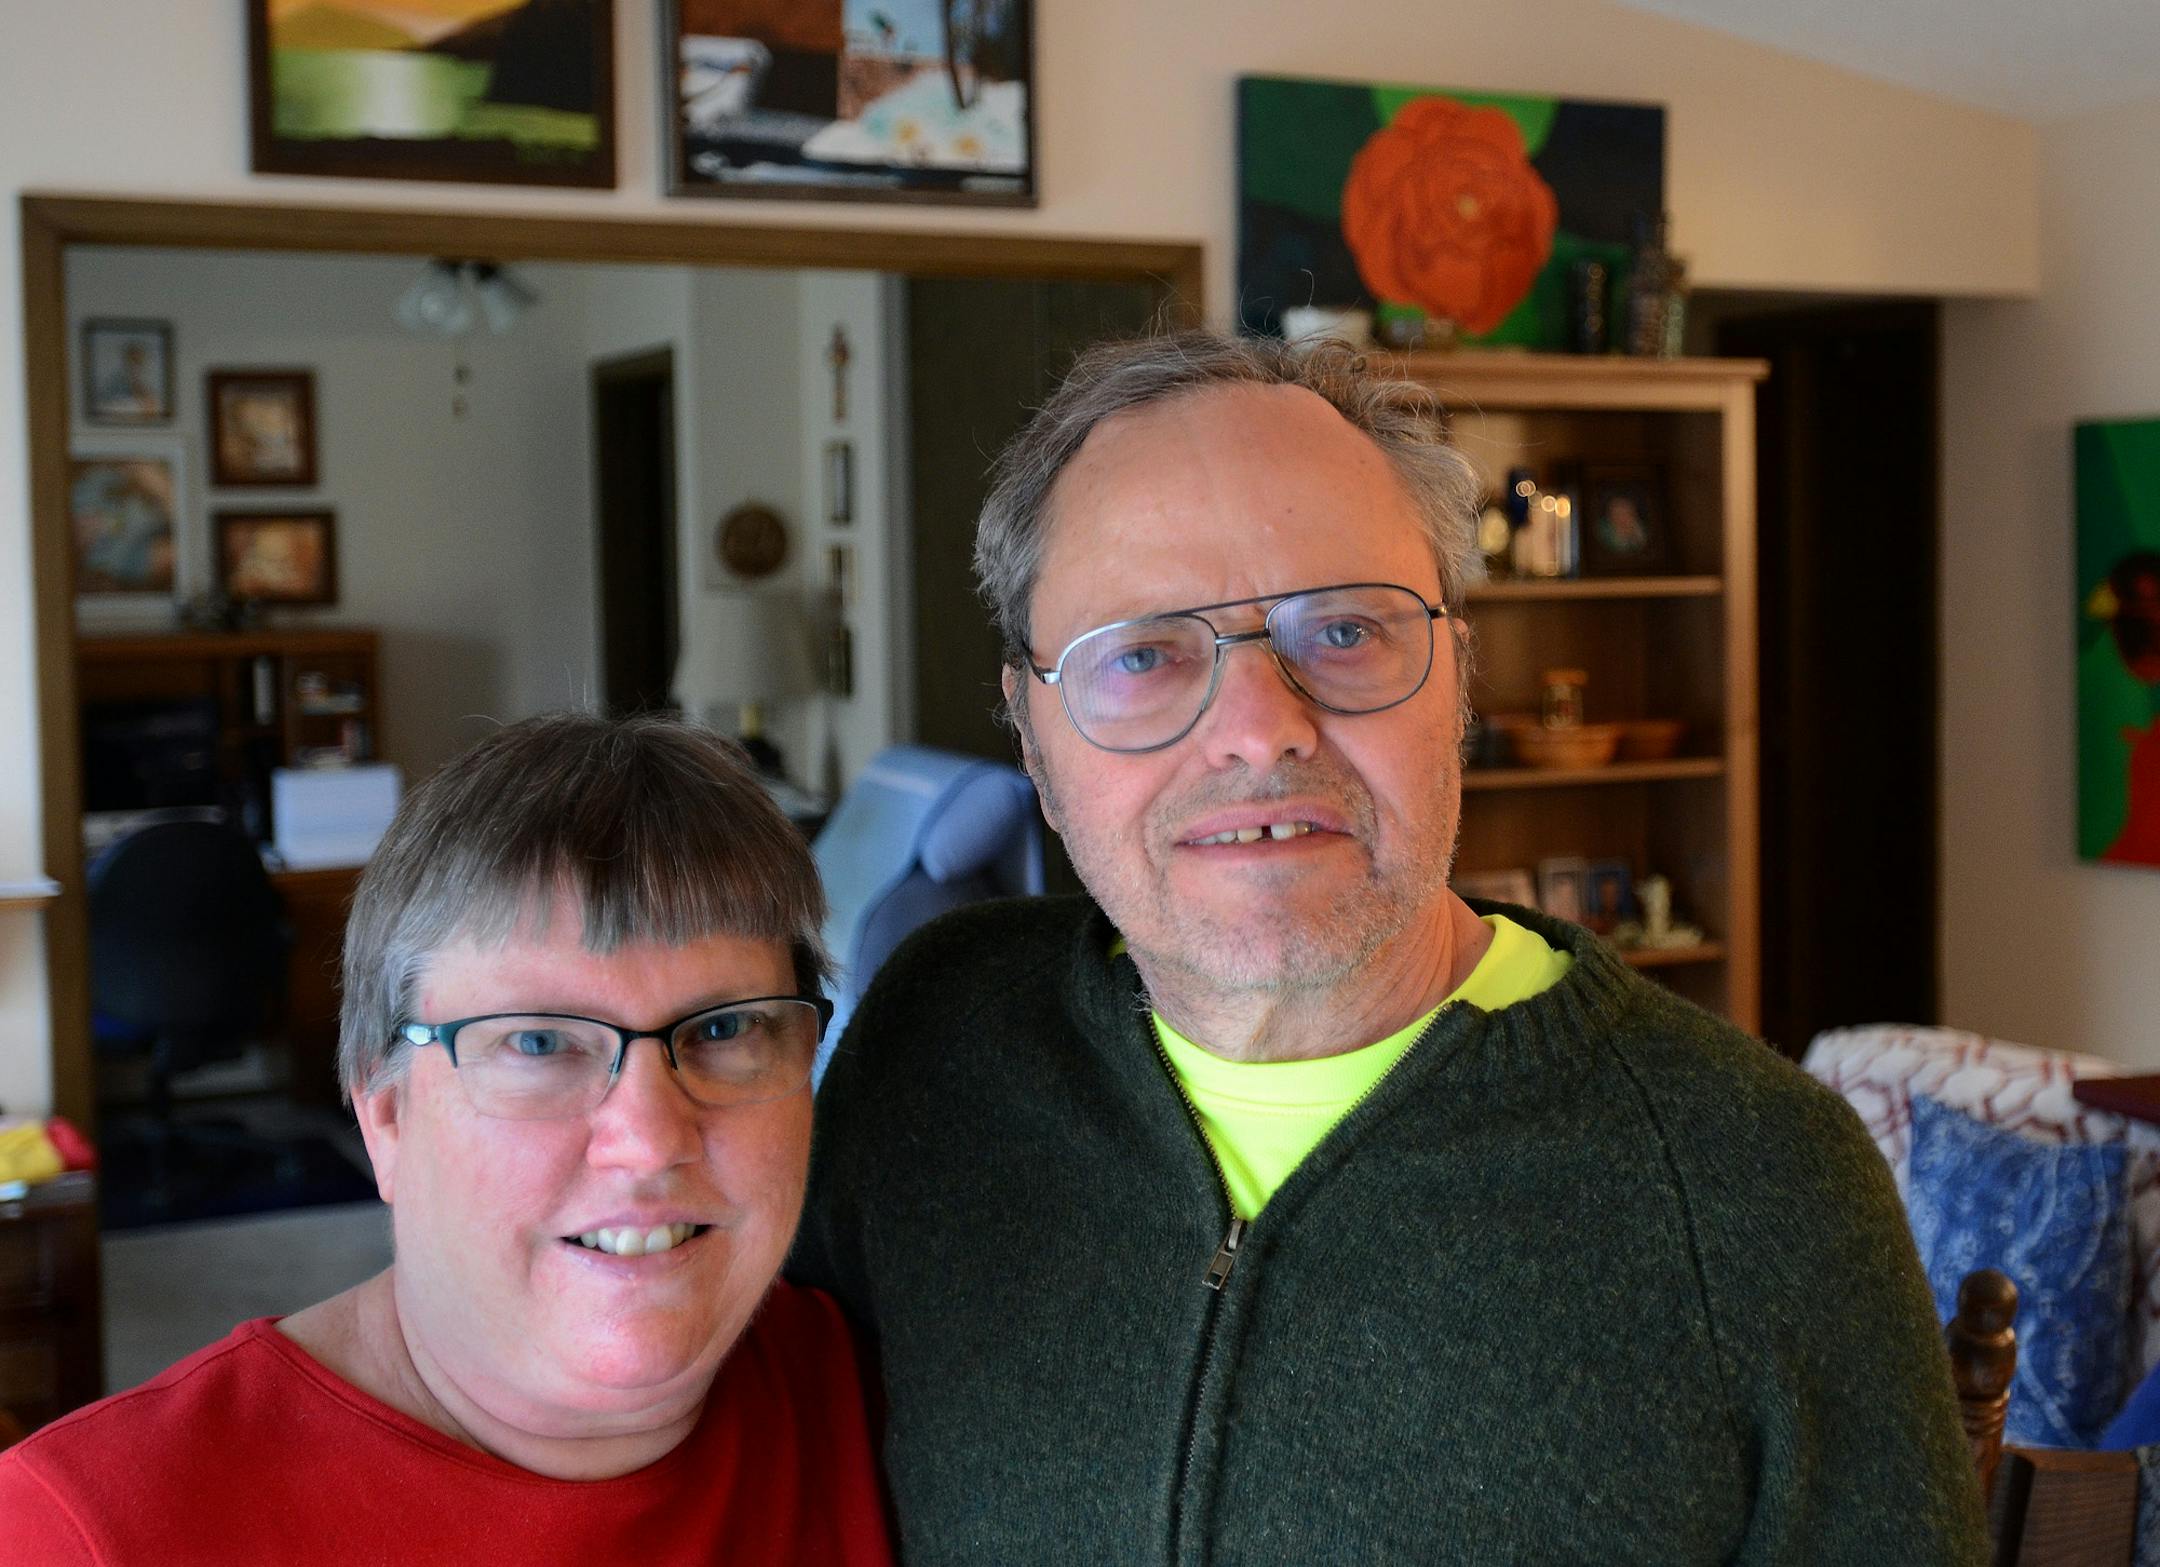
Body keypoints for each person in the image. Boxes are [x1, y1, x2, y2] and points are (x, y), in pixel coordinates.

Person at [793, 332, 1988, 1563]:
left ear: (1457, 685)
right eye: (1144, 655)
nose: (1261, 731)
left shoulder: (1758, 1178)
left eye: (1347, 633)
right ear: (1034, 739)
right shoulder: (936, 1041)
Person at [0, 714, 892, 1566]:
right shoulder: (89, 1531)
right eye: (539, 1041)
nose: (650, 1140)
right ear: (384, 1113)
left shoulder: (893, 1390)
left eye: (725, 1030)